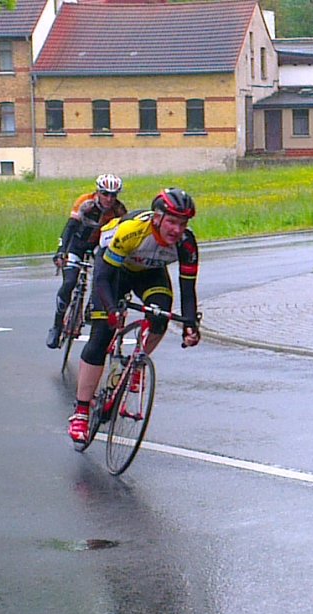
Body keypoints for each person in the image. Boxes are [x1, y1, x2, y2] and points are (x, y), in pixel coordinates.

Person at [67, 187, 201, 444]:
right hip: (115, 272)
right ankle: (81, 411)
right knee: (101, 335)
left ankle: (137, 361)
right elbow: (103, 278)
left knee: (160, 317)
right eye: (172, 222)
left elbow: (188, 290)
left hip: (150, 273)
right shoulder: (132, 231)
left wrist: (190, 325)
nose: (177, 230)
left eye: (182, 224)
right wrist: (111, 310)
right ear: (157, 218)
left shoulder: (186, 243)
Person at [47, 173, 127, 349]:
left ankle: (92, 306)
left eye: (113, 195)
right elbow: (70, 227)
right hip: (77, 245)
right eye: (105, 194)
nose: (109, 198)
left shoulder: (119, 210)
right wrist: (61, 252)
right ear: (98, 192)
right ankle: (57, 325)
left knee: (103, 275)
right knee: (69, 282)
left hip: (98, 246)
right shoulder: (85, 203)